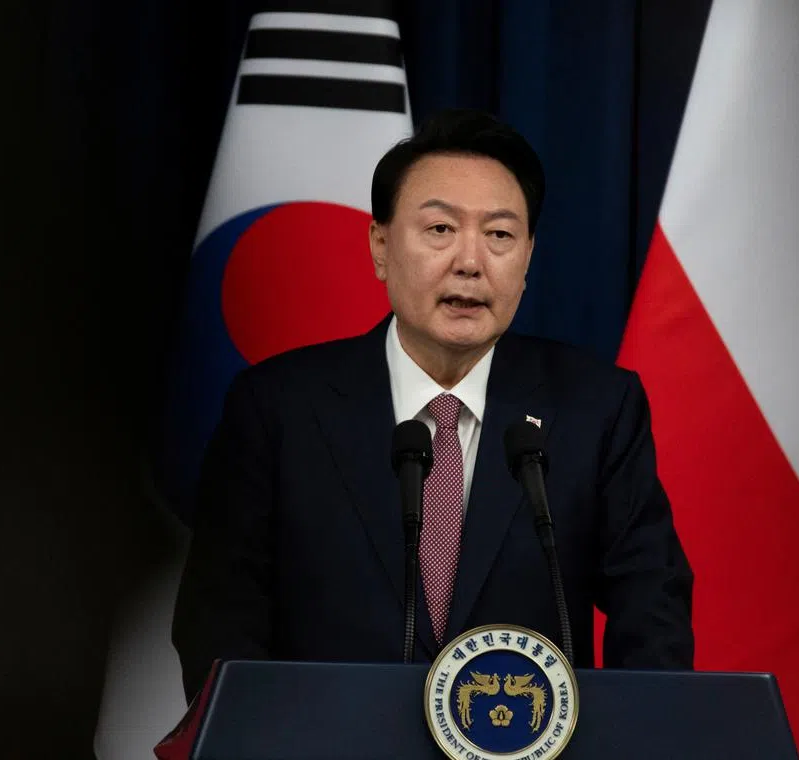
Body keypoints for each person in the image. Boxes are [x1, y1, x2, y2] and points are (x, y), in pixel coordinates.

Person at [172, 109, 693, 701]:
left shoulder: (596, 407)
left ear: (527, 259)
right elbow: (218, 617)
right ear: (380, 246)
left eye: (499, 235)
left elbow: (652, 607)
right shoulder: (278, 407)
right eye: (440, 230)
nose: (470, 262)